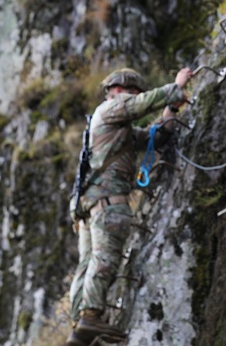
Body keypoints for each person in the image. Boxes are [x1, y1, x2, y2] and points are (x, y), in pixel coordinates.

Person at [65, 66, 193, 346]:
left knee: (87, 264)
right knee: (105, 256)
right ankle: (91, 315)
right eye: (133, 93)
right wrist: (176, 86)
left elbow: (153, 138)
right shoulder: (111, 108)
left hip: (90, 206)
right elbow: (137, 106)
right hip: (107, 204)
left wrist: (171, 110)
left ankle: (79, 327)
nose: (133, 98)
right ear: (121, 91)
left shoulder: (113, 128)